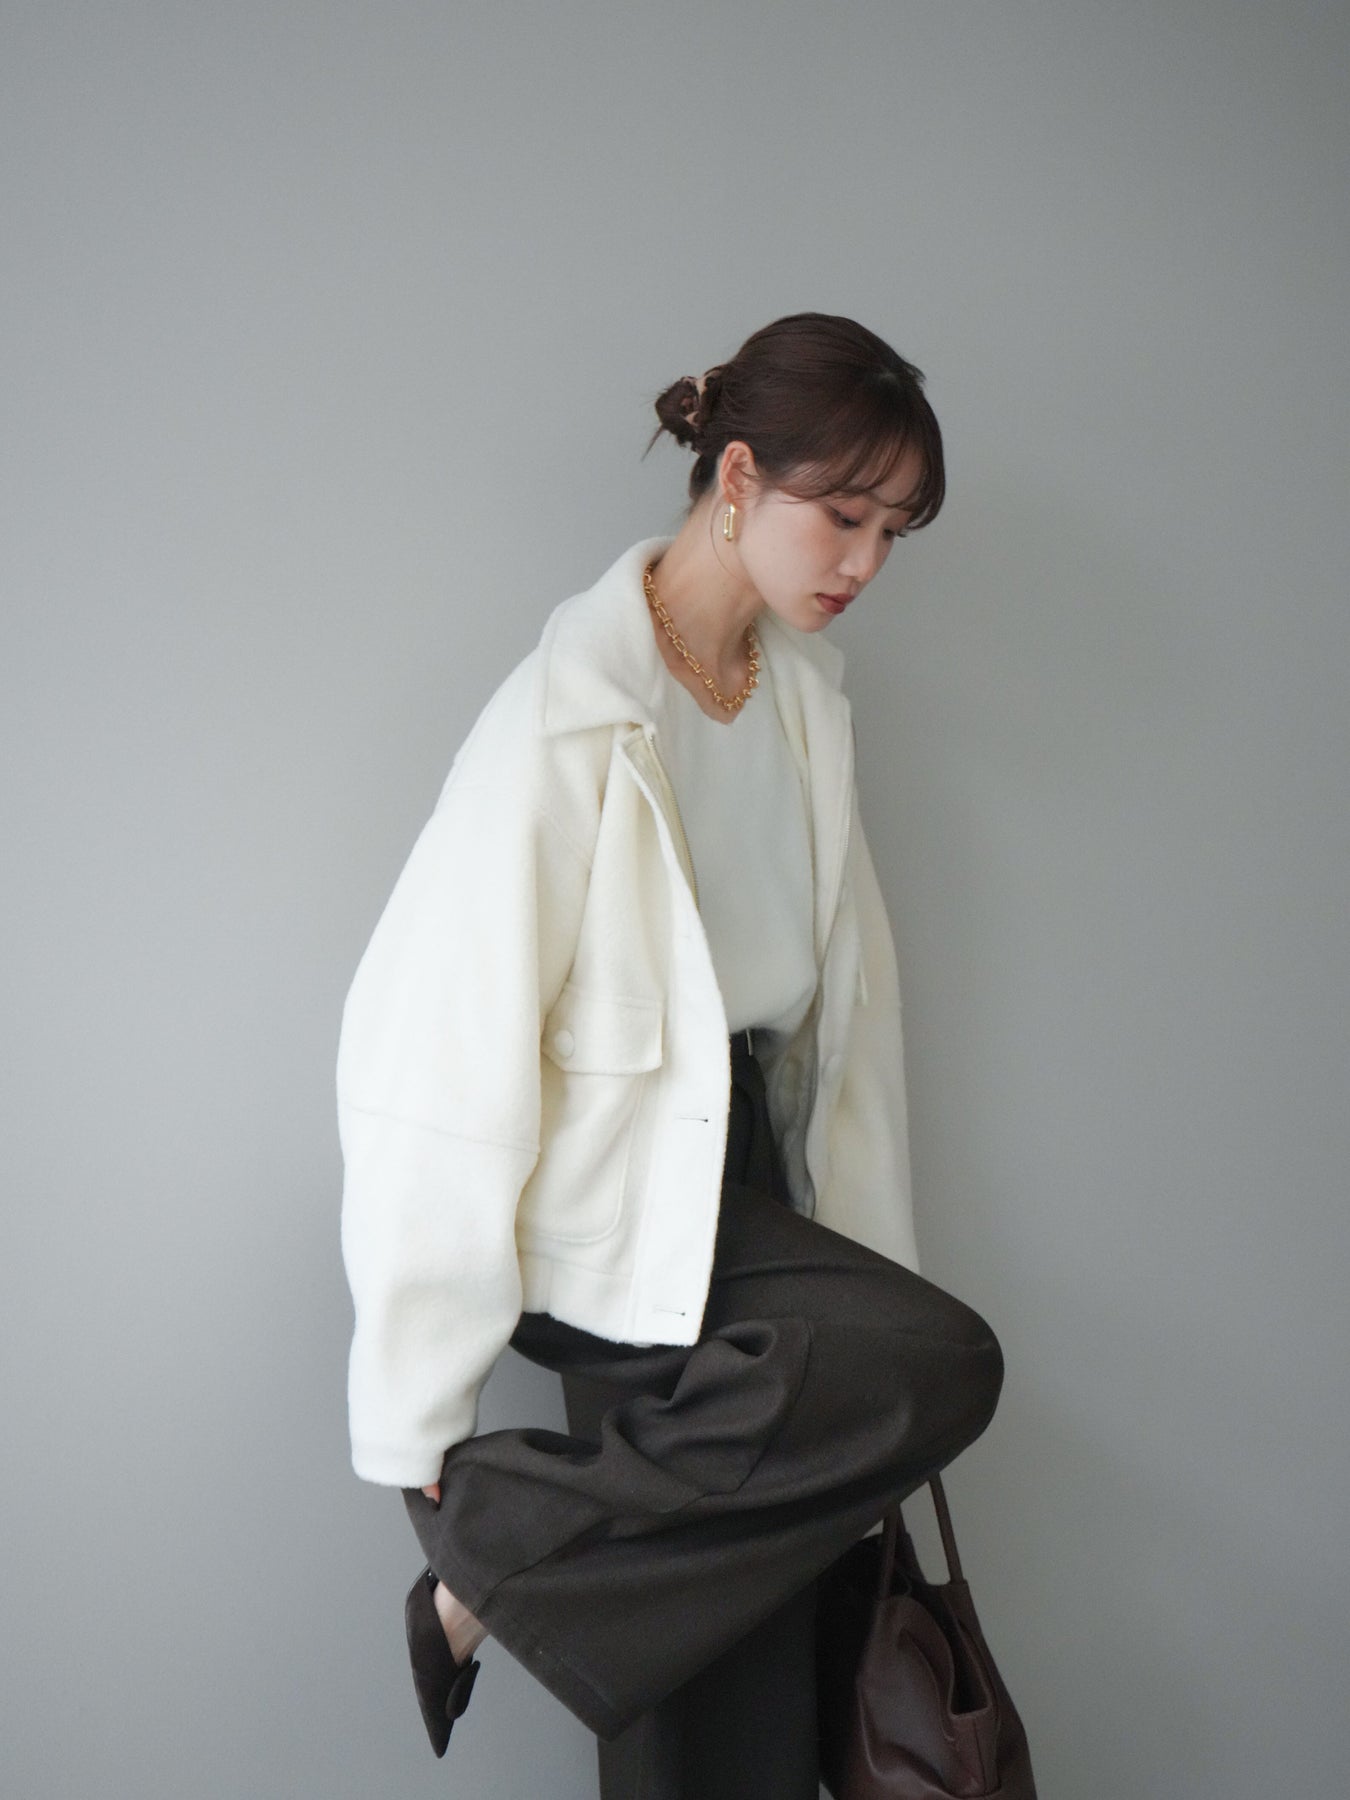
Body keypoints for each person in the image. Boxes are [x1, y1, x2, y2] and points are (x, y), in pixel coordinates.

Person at [336, 311, 1005, 1799]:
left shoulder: (802, 705)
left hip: (743, 1173)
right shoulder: (570, 716)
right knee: (934, 1370)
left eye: (893, 532)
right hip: (610, 1189)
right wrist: (420, 1388)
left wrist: (857, 1261)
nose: (865, 562)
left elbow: (846, 1025)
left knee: (724, 1645)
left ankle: (489, 1575)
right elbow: (435, 1046)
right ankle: (489, 1551)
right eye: (843, 514)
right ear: (738, 475)